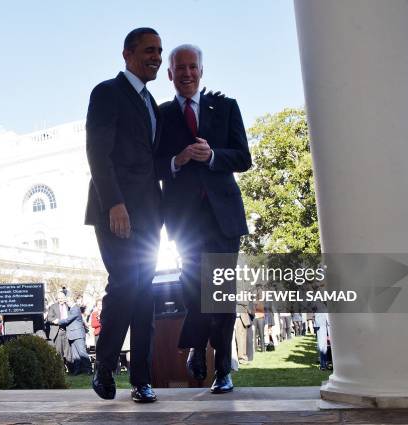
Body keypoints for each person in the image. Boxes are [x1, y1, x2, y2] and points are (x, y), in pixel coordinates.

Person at [155, 44, 251, 394]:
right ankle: (196, 343)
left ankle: (223, 369)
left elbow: (243, 157)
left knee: (221, 293)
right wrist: (176, 161)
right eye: (179, 67)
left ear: (201, 70)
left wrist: (212, 156)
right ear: (170, 74)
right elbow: (153, 164)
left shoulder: (225, 107)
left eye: (192, 66)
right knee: (193, 288)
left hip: (223, 216)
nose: (186, 73)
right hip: (183, 221)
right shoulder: (161, 114)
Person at [84, 27, 163, 403]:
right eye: (150, 50)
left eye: (159, 52)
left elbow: (152, 160)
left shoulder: (152, 104)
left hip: (150, 216)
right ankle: (104, 364)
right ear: (128, 54)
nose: (157, 58)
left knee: (145, 293)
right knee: (125, 284)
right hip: (114, 210)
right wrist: (115, 203)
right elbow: (98, 153)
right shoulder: (106, 93)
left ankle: (142, 380)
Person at [53, 295, 92, 375]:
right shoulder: (72, 308)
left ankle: (89, 370)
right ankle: (77, 371)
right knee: (75, 355)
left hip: (78, 335)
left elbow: (68, 320)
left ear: (71, 301)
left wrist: (58, 321)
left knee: (82, 353)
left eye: (67, 301)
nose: (67, 303)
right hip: (72, 335)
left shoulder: (75, 308)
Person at [47, 291, 72, 368]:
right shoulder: (53, 306)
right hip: (57, 332)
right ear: (57, 299)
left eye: (62, 298)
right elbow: (49, 318)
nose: (60, 299)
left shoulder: (69, 306)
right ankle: (61, 369)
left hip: (67, 331)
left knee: (68, 352)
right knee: (59, 352)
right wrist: (55, 320)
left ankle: (71, 369)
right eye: (59, 298)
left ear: (65, 298)